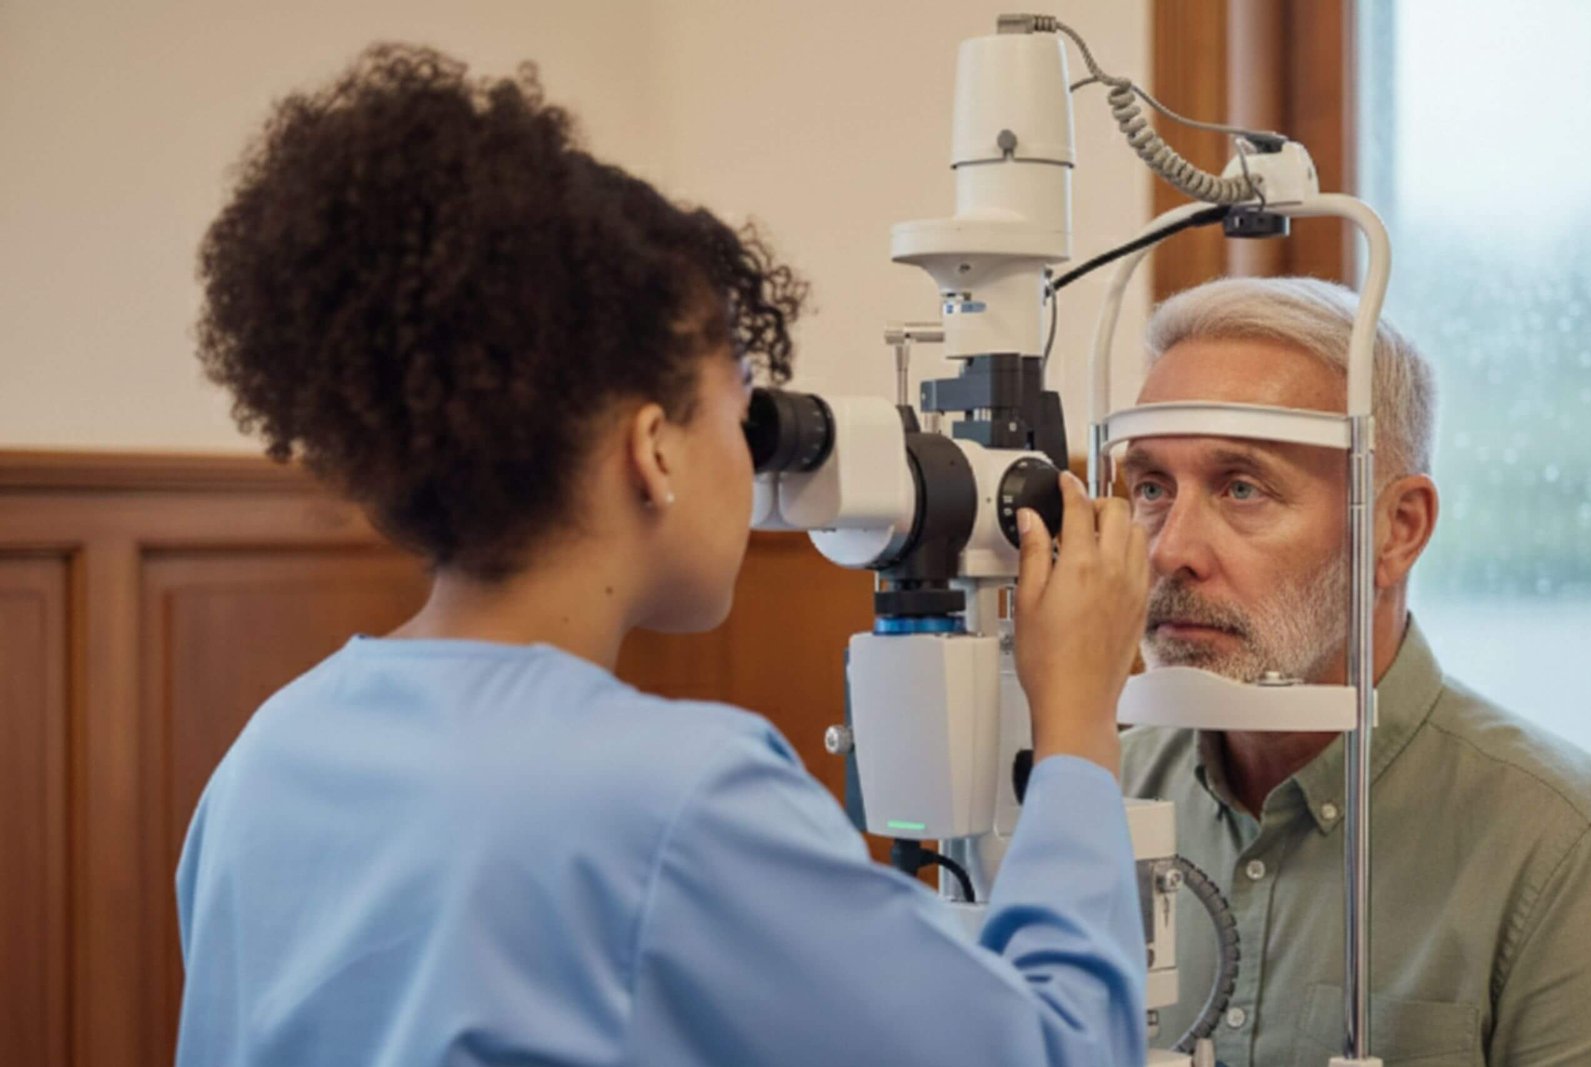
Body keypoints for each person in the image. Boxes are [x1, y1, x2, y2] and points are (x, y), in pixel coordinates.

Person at [175, 44, 1152, 1067]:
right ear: (652, 449)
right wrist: (1077, 722)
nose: (751, 453)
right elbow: (1058, 1050)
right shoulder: (675, 801)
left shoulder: (268, 756)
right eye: (741, 404)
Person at [1119, 275, 1591, 1066]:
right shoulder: (1098, 799)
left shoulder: (1554, 852)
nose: (1170, 549)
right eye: (1151, 487)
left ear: (1395, 529)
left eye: (1242, 488)